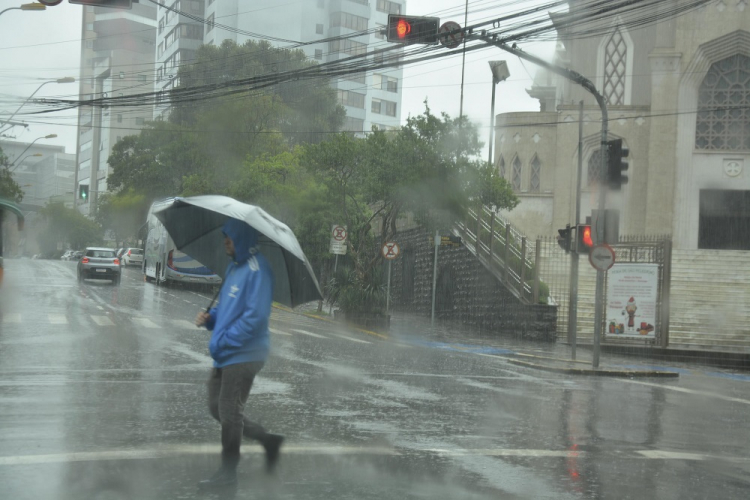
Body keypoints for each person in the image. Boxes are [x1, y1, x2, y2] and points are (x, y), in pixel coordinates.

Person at [195, 218, 284, 488]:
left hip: (246, 353)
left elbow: (255, 318)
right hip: (227, 351)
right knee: (217, 408)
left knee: (229, 411)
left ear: (241, 239)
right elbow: (227, 309)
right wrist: (210, 319)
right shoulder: (235, 268)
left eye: (229, 237)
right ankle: (268, 440)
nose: (225, 241)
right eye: (224, 236)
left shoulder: (259, 270)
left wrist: (222, 342)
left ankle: (228, 474)